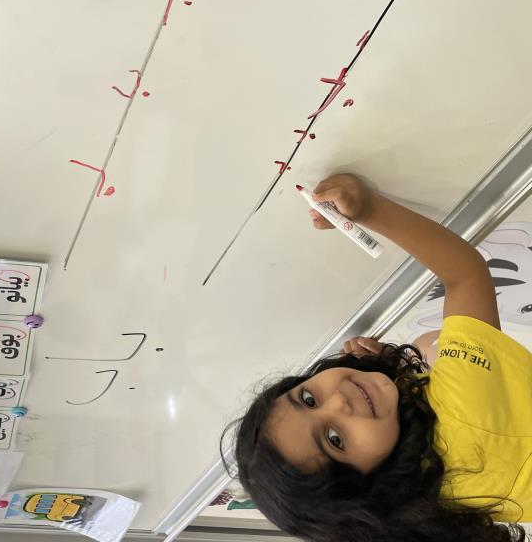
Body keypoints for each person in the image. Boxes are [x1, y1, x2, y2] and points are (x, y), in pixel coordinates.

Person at [224, 174, 531, 542]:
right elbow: (465, 275)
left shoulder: (423, 494)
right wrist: (370, 210)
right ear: (366, 487)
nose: (339, 401)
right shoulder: (462, 414)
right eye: (335, 439)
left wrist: (397, 368)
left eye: (308, 399)